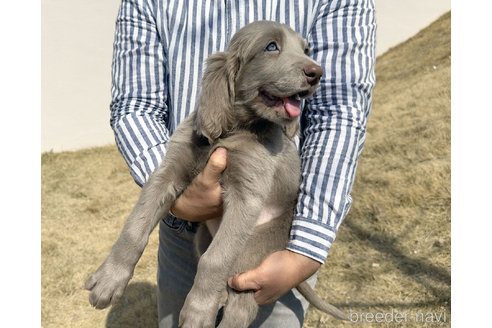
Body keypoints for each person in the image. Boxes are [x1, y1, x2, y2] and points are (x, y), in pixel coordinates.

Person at [109, 0, 376, 327]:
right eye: (274, 47)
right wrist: (180, 198)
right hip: (184, 233)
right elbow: (134, 105)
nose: (310, 65)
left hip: (276, 241)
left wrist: (305, 250)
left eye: (302, 51)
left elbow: (339, 113)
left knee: (239, 308)